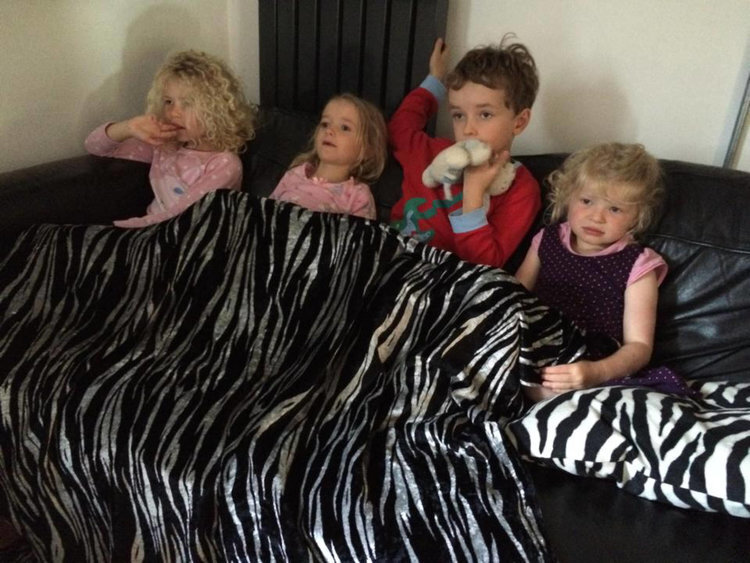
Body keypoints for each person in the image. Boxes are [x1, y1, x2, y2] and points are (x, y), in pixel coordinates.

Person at [514, 142, 693, 400]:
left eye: (615, 209)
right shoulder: (546, 240)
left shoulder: (638, 265)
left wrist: (595, 372)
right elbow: (513, 297)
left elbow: (639, 347)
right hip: (534, 346)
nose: (597, 217)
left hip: (592, 363)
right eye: (587, 201)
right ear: (567, 196)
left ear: (637, 216)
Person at [388, 36, 541, 268]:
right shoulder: (431, 152)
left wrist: (473, 193)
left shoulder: (520, 188)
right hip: (390, 257)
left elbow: (482, 265)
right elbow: (399, 128)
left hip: (439, 281)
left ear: (519, 122)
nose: (468, 129)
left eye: (485, 114)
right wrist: (435, 81)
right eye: (458, 115)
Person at [85, 50, 257, 228]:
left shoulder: (224, 163)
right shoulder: (164, 145)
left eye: (187, 103)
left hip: (184, 238)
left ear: (216, 111)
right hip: (152, 232)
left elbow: (183, 215)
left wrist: (123, 229)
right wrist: (129, 127)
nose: (173, 112)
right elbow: (94, 147)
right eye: (168, 101)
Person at [269, 93, 387, 220]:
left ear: (367, 149)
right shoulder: (295, 173)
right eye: (325, 124)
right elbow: (265, 211)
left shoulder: (358, 195)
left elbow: (361, 237)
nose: (329, 130)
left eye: (344, 127)